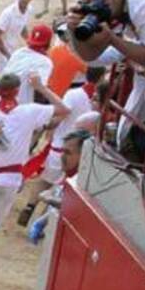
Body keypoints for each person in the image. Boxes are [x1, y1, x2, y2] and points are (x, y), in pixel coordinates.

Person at [66, 0, 145, 146]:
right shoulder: (120, 1)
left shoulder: (144, 0)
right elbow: (92, 57)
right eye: (89, 4)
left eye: (99, 1)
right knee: (128, 127)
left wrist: (113, 39)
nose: (96, 9)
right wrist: (73, 31)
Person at [0, 72, 69, 231]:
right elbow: (63, 109)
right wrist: (40, 87)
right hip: (10, 181)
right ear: (17, 91)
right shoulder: (29, 112)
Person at [18, 71, 101, 226]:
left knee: (45, 181)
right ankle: (43, 223)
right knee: (60, 190)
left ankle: (30, 208)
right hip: (80, 156)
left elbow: (60, 116)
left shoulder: (74, 94)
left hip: (60, 148)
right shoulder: (102, 103)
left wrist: (46, 127)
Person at [28, 129, 92, 243]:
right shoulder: (72, 174)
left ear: (84, 156)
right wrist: (42, 221)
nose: (62, 157)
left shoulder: (86, 180)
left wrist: (49, 199)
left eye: (68, 153)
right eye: (63, 151)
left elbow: (76, 207)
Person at [0, 23, 56, 104]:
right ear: (48, 43)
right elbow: (39, 90)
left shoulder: (19, 52)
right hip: (19, 105)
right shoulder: (45, 62)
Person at [0, 0, 36, 79]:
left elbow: (22, 27)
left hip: (12, 51)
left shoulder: (29, 10)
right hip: (0, 53)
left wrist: (30, 42)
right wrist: (7, 55)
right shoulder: (8, 13)